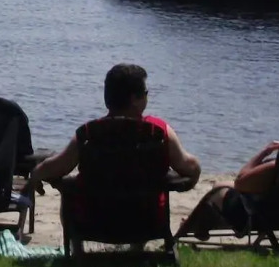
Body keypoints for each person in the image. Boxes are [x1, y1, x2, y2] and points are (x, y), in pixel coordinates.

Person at [24, 63, 201, 197]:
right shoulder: (159, 131)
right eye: (146, 92)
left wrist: (35, 175)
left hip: (94, 223)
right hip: (148, 222)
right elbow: (189, 167)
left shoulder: (88, 133)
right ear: (135, 98)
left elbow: (58, 166)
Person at [176, 126, 279, 238]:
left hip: (260, 218)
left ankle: (188, 228)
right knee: (224, 186)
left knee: (218, 190)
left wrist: (265, 152)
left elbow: (240, 181)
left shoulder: (278, 169)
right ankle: (199, 227)